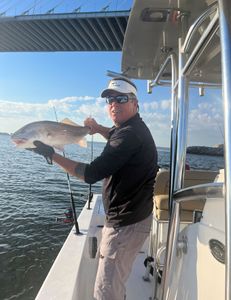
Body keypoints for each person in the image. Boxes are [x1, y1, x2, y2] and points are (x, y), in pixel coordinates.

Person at [30, 77, 158, 300]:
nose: (114, 104)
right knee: (115, 283)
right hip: (135, 218)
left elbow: (89, 174)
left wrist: (52, 154)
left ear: (135, 104)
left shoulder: (129, 134)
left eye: (121, 99)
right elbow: (115, 136)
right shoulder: (131, 128)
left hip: (125, 225)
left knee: (105, 292)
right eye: (110, 100)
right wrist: (98, 128)